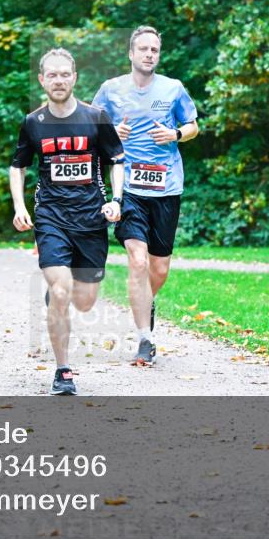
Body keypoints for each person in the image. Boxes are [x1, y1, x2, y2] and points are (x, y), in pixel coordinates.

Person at [10, 48, 125, 395]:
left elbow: (117, 160)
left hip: (91, 219)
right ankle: (63, 371)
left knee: (85, 301)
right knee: (61, 290)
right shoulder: (33, 123)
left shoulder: (96, 118)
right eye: (52, 75)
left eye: (64, 74)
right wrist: (19, 206)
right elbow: (18, 166)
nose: (58, 80)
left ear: (74, 78)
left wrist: (116, 200)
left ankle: (59, 291)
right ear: (42, 80)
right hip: (51, 217)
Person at [91, 26, 199, 366]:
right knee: (137, 261)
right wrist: (111, 131)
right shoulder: (111, 89)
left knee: (159, 268)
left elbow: (193, 126)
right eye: (144, 49)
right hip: (128, 187)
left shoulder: (173, 88)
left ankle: (142, 302)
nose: (150, 54)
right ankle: (144, 338)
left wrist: (175, 133)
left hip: (166, 187)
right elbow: (90, 126)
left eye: (154, 49)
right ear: (131, 53)